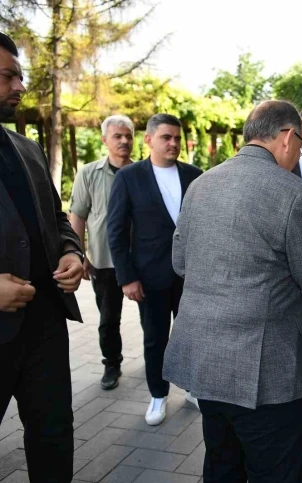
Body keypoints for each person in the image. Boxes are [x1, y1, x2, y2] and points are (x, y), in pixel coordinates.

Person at [163, 100, 302, 483]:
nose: (300, 153)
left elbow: (180, 262)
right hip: (263, 373)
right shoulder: (293, 192)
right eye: (301, 144)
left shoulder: (200, 184)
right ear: (287, 137)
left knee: (222, 463)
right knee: (275, 470)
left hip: (205, 362)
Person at [0, 32, 85, 482]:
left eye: (20, 76)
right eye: (8, 76)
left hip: (45, 327)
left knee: (53, 438)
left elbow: (56, 218)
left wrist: (72, 252)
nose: (19, 86)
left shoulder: (27, 148)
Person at [107, 113, 203, 425]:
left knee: (192, 335)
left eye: (177, 138)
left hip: (191, 276)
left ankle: (192, 389)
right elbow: (116, 232)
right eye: (166, 137)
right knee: (155, 339)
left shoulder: (195, 176)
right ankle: (158, 395)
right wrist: (127, 277)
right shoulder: (129, 177)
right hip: (150, 276)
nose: (173, 143)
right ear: (149, 139)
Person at [70, 114, 135, 390]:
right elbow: (77, 215)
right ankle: (112, 364)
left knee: (153, 318)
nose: (124, 141)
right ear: (104, 139)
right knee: (108, 319)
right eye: (117, 136)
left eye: (128, 136)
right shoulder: (89, 173)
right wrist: (78, 254)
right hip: (104, 260)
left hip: (140, 259)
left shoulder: (143, 172)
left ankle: (157, 361)